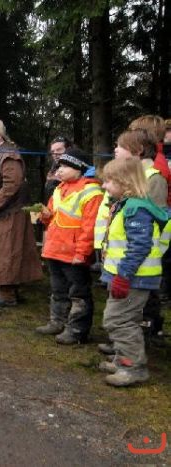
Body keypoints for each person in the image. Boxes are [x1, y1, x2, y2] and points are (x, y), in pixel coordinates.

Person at [97, 157, 170, 386]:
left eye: (108, 181)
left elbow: (139, 247)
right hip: (127, 276)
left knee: (118, 320)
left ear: (124, 182)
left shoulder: (136, 209)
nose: (104, 186)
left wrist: (123, 276)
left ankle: (133, 367)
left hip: (134, 278)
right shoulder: (128, 204)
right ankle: (122, 359)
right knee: (124, 318)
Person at [35, 148, 103, 344]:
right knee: (58, 289)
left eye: (65, 166)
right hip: (54, 249)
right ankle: (57, 321)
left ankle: (77, 330)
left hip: (73, 253)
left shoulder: (91, 192)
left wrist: (82, 253)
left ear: (79, 168)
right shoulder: (58, 189)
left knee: (78, 293)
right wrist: (44, 216)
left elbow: (89, 228)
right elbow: (52, 217)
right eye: (59, 166)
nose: (59, 170)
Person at [0, 119, 42, 306]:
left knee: (6, 254)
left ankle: (7, 295)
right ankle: (2, 291)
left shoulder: (8, 154)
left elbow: (12, 184)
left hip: (7, 215)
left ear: (0, 136)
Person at [44, 136, 72, 202]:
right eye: (53, 151)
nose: (55, 154)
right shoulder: (53, 167)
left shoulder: (77, 168)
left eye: (59, 150)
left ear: (69, 149)